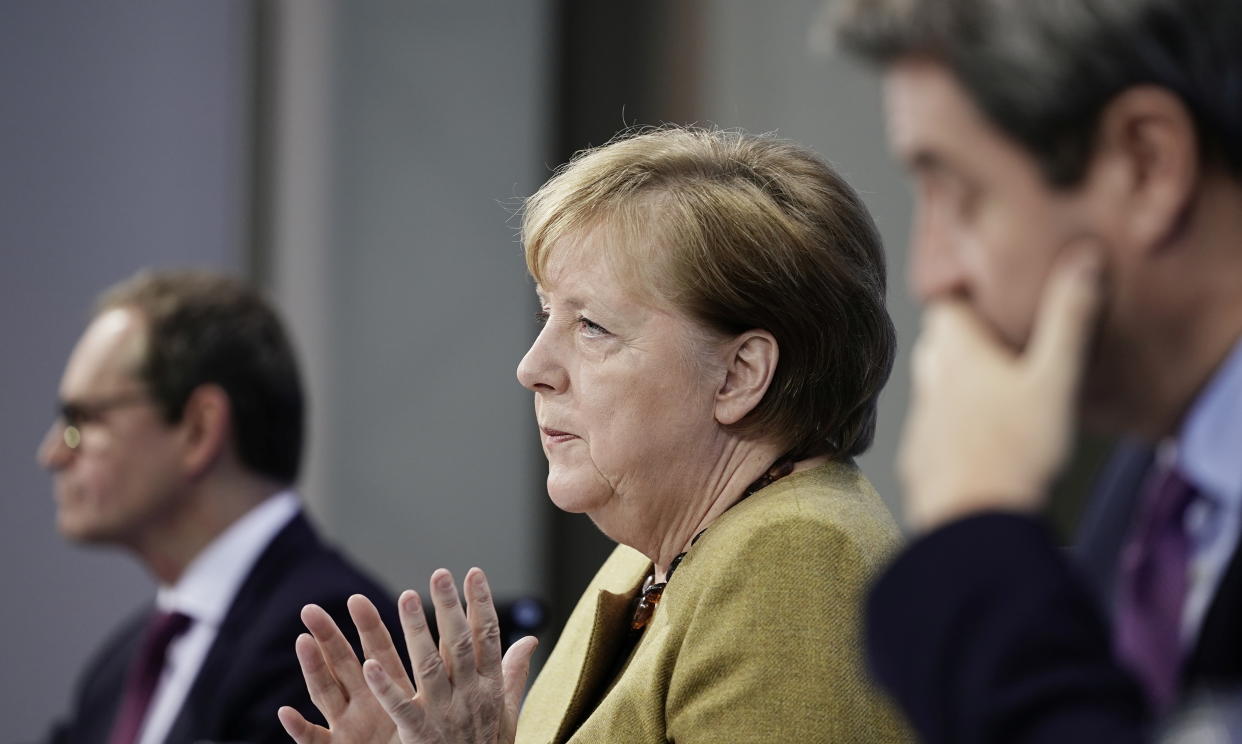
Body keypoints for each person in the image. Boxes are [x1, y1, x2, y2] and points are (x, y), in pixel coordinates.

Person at [277, 127, 911, 743]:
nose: (532, 368)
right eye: (547, 313)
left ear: (738, 375)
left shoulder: (794, 556)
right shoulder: (652, 553)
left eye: (592, 327)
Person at [829, 0, 1242, 741]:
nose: (930, 275)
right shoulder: (1153, 484)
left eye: (959, 194)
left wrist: (975, 534)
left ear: (1147, 165)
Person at [39, 271, 405, 744]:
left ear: (198, 429)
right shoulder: (119, 667)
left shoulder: (325, 635)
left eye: (81, 420)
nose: (52, 454)